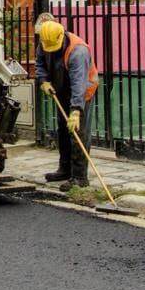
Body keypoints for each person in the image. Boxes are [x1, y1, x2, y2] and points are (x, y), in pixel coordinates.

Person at [35, 19, 99, 191]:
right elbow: (40, 63)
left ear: (61, 37)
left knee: (78, 133)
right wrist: (43, 81)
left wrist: (76, 110)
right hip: (61, 89)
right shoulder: (45, 41)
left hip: (83, 93)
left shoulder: (78, 51)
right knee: (63, 129)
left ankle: (80, 177)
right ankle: (65, 169)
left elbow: (79, 84)